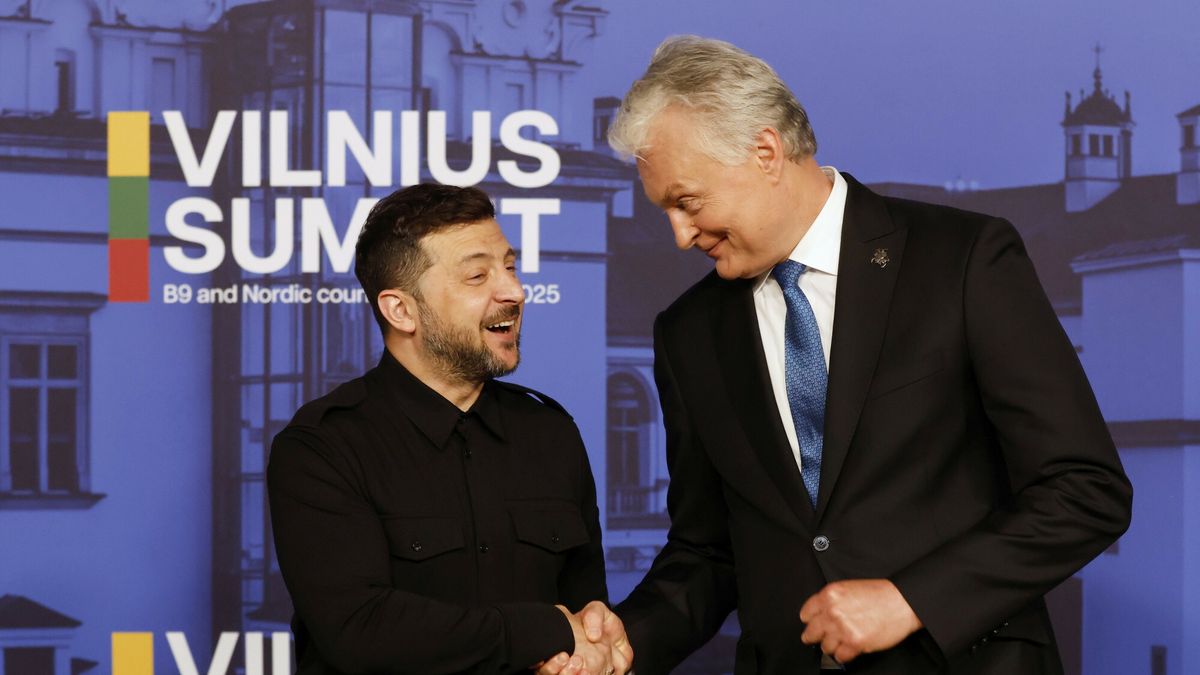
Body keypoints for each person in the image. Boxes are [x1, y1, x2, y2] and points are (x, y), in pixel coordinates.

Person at [571, 36, 1132, 674]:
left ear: (765, 151)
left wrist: (913, 600)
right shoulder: (688, 330)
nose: (678, 234)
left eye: (686, 202)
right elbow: (709, 550)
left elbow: (1086, 491)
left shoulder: (962, 258)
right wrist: (626, 642)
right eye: (664, 210)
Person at [268, 184, 633, 675]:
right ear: (401, 310)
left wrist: (593, 648)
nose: (514, 292)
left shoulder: (551, 433)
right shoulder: (322, 447)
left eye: (510, 266)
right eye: (478, 275)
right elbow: (361, 630)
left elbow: (585, 616)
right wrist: (543, 631)